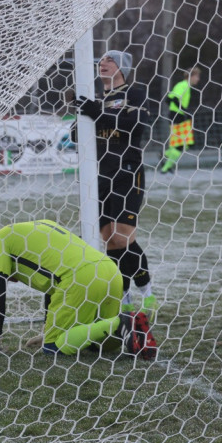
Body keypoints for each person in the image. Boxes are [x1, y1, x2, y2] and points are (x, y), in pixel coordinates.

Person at [0, 220, 156, 358]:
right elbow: (52, 284)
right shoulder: (42, 225)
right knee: (99, 345)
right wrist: (47, 328)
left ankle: (119, 322)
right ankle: (129, 325)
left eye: (9, 277)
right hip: (110, 271)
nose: (13, 280)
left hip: (80, 278)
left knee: (52, 347)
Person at [76, 50, 156, 315]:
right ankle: (122, 295)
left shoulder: (134, 92)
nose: (103, 63)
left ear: (122, 67)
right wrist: (80, 117)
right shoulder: (96, 98)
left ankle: (147, 291)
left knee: (123, 237)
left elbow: (134, 124)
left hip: (127, 171)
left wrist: (95, 112)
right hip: (99, 176)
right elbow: (78, 135)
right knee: (109, 240)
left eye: (110, 60)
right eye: (100, 60)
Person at [159, 66, 202, 173]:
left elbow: (168, 99)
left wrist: (183, 112)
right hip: (177, 116)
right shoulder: (183, 85)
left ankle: (166, 154)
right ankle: (165, 168)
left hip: (178, 116)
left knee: (186, 144)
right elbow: (172, 99)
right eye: (197, 76)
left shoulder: (182, 85)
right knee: (181, 145)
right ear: (190, 76)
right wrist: (183, 111)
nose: (198, 79)